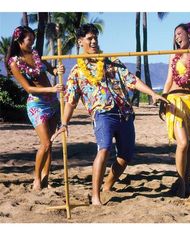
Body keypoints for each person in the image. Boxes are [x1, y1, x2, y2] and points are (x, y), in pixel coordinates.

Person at [51, 23, 169, 205]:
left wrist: (152, 93)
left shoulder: (111, 60)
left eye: (95, 38)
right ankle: (95, 196)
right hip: (102, 114)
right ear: (80, 41)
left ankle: (107, 186)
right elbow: (70, 101)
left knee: (125, 157)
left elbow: (132, 80)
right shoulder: (77, 71)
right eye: (89, 38)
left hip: (125, 113)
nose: (93, 41)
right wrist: (64, 123)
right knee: (104, 149)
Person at [6, 26, 65, 190]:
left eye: (33, 39)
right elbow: (29, 89)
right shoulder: (14, 62)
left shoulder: (35, 54)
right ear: (19, 41)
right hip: (37, 104)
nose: (32, 43)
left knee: (50, 144)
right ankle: (37, 178)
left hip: (52, 101)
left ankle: (46, 178)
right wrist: (52, 89)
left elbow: (50, 71)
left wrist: (57, 70)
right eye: (29, 40)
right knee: (45, 143)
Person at [159, 22, 190, 198]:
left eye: (180, 33)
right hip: (174, 100)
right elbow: (168, 80)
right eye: (175, 35)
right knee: (182, 143)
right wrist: (162, 100)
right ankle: (181, 184)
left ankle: (186, 184)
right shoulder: (173, 55)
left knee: (189, 145)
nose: (177, 38)